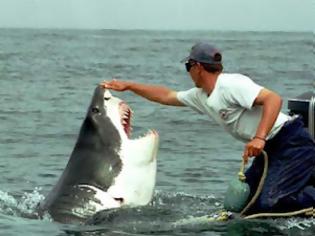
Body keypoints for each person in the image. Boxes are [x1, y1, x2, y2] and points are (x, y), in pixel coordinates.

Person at [100, 42, 315, 213]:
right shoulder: (200, 96)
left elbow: (273, 99)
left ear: (198, 67)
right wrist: (129, 86)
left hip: (290, 141)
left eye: (188, 67)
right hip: (270, 149)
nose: (188, 72)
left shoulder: (230, 84)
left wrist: (259, 138)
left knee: (272, 204)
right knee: (242, 206)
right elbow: (166, 96)